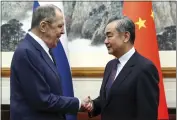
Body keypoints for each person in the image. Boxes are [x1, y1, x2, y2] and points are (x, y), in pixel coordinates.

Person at [10, 4, 86, 120]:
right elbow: (42, 100)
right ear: (43, 26)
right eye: (60, 26)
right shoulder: (26, 52)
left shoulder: (44, 50)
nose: (63, 32)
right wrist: (79, 103)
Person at [83, 16, 159, 120]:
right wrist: (92, 104)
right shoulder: (110, 66)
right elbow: (108, 99)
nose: (105, 41)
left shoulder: (145, 68)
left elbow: (147, 113)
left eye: (109, 36)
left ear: (126, 36)